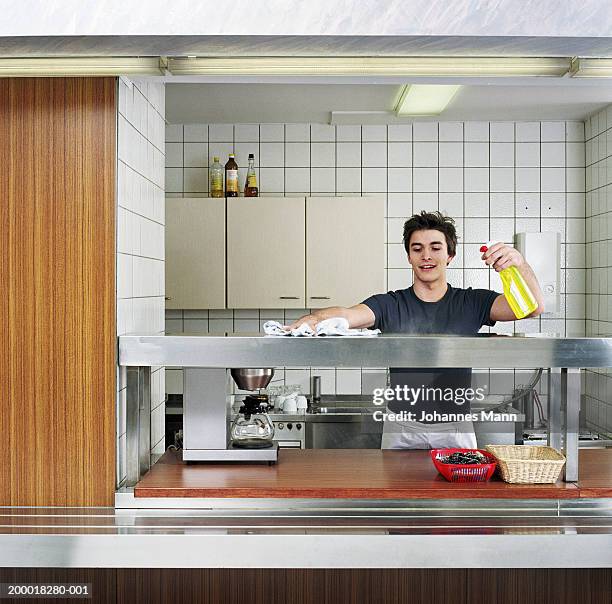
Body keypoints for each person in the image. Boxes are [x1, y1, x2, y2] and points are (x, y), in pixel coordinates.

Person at [286, 211, 545, 449]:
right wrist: (314, 318)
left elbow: (532, 308)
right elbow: (347, 314)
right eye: (417, 249)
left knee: (456, 498)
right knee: (399, 499)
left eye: (435, 248)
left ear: (450, 255)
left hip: (455, 427)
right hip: (401, 427)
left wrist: (519, 264)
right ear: (409, 257)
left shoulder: (472, 302)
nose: (426, 256)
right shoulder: (389, 304)